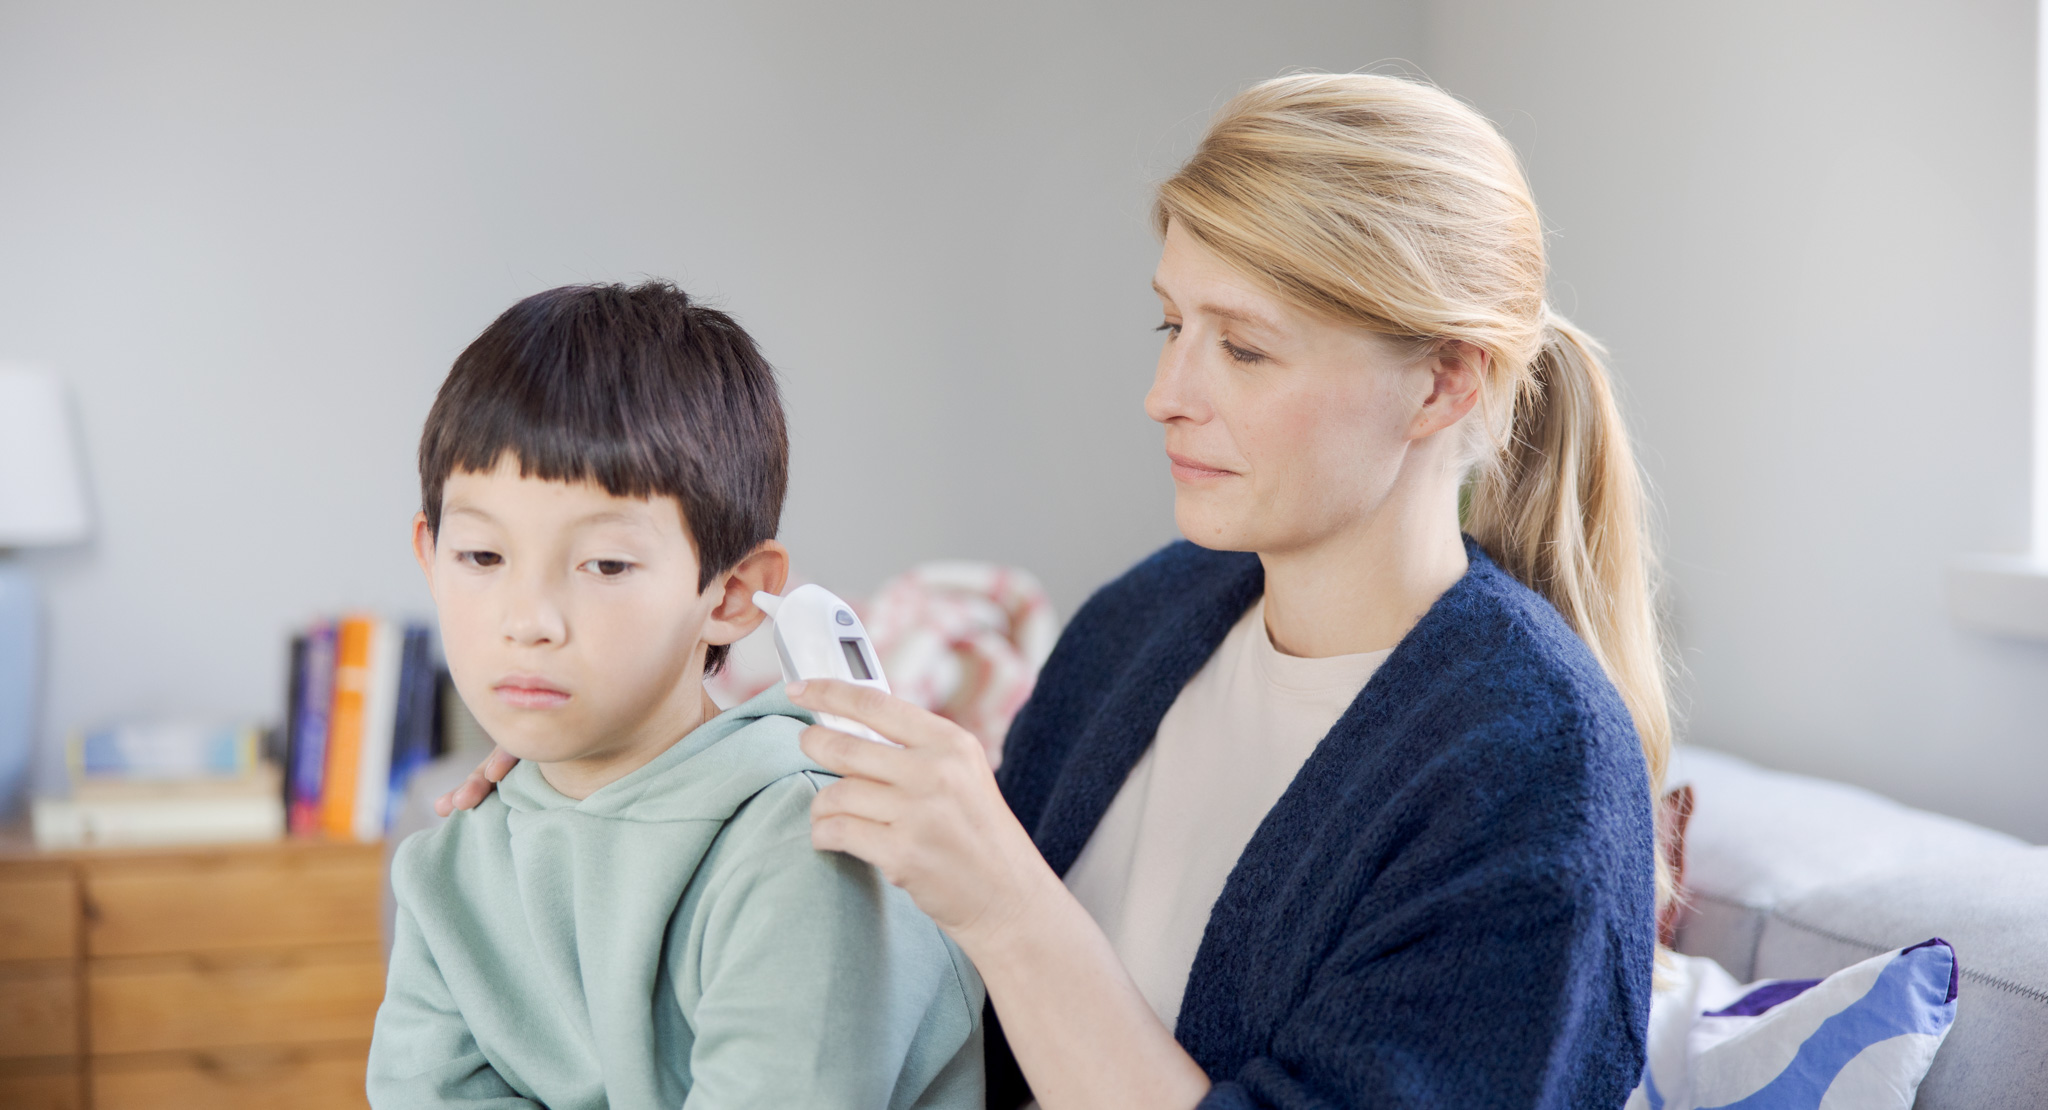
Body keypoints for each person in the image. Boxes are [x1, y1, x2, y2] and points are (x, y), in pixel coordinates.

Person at [443, 72, 1669, 1110]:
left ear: (1444, 386)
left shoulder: (1533, 772)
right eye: (1168, 327)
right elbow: (924, 1011)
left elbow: (1007, 936)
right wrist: (610, 777)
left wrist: (1006, 901)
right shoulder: (1150, 620)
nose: (1168, 394)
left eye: (1241, 348)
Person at [369, 281, 983, 1109]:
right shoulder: (445, 871)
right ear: (428, 551)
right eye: (482, 557)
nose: (529, 621)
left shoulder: (806, 847)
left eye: (606, 565)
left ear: (730, 597)